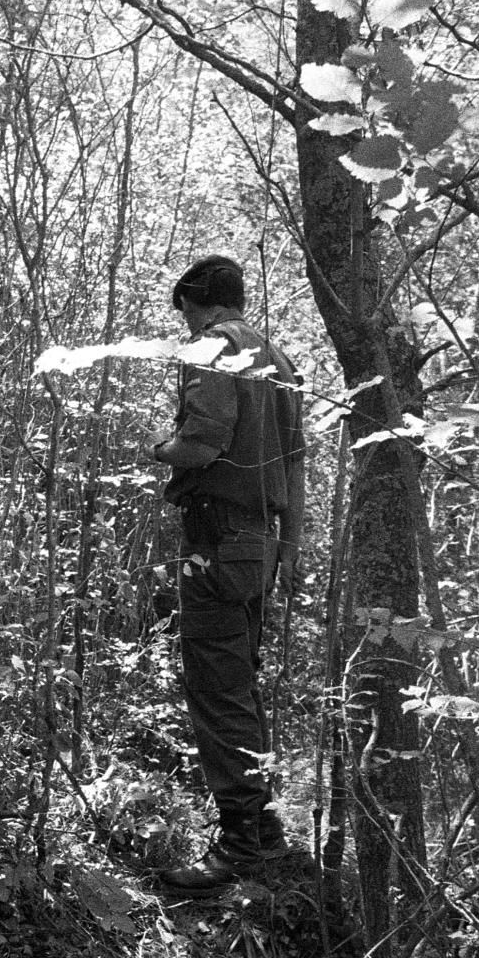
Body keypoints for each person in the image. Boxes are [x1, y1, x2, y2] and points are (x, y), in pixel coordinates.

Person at [143, 254, 305, 896]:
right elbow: (295, 464)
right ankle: (263, 830)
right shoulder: (276, 357)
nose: (184, 324)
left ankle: (242, 842)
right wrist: (289, 545)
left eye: (183, 310)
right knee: (240, 683)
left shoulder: (212, 349)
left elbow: (202, 443)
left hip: (218, 541)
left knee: (218, 688)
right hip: (258, 544)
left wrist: (157, 448)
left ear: (194, 301)